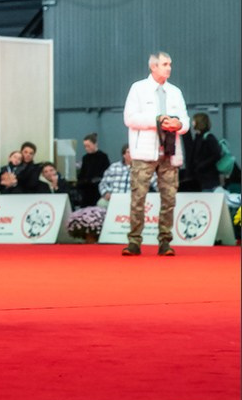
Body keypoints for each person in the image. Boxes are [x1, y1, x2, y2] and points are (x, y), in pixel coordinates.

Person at [122, 51, 188, 256]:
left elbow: (185, 120)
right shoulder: (138, 88)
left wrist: (178, 124)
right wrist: (157, 120)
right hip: (143, 153)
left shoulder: (175, 91)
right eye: (165, 64)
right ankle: (134, 241)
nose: (169, 67)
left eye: (170, 64)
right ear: (153, 66)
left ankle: (165, 242)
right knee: (138, 198)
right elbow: (130, 119)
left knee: (169, 199)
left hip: (169, 152)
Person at [180, 113, 222, 192]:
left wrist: (202, 165)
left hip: (208, 178)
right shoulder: (198, 138)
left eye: (194, 121)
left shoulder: (209, 138)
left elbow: (216, 155)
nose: (192, 123)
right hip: (200, 178)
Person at [76, 133, 111, 207]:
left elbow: (106, 173)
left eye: (88, 146)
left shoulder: (103, 156)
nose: (86, 148)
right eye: (85, 146)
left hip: (97, 188)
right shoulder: (85, 158)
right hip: (86, 189)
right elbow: (83, 173)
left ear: (95, 144)